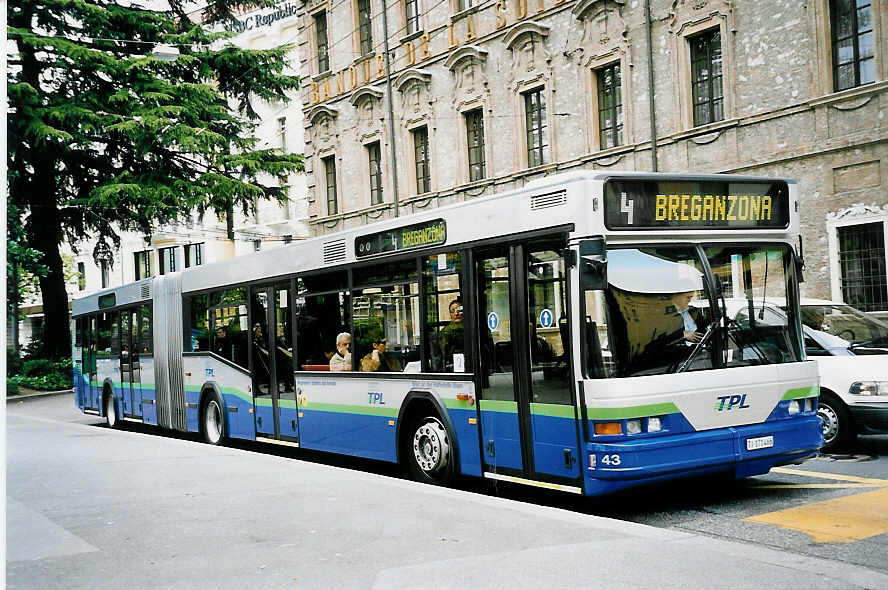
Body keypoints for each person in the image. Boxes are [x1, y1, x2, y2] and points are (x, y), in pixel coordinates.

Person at [439, 298, 465, 368]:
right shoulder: (446, 331)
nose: (456, 314)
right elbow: (444, 354)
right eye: (452, 311)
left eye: (459, 310)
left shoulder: (473, 327)